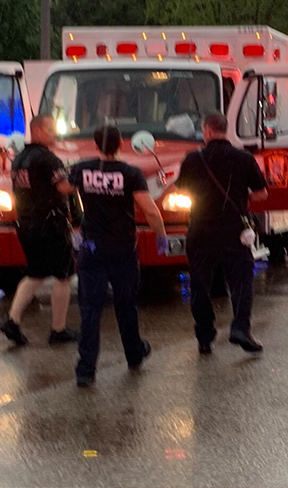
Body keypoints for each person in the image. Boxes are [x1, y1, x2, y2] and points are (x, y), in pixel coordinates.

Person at [68, 126, 167, 387]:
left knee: (90, 310)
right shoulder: (131, 173)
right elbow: (150, 211)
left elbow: (64, 189)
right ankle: (134, 353)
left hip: (90, 247)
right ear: (121, 144)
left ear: (95, 144)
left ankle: (86, 370)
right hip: (122, 248)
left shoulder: (81, 169)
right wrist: (161, 236)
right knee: (126, 306)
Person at [174, 113, 268, 354]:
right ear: (225, 130)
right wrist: (241, 197)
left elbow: (182, 190)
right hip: (233, 230)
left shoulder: (193, 159)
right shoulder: (243, 158)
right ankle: (240, 328)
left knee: (200, 283)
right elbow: (261, 194)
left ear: (206, 131)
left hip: (201, 230)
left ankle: (205, 336)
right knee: (241, 280)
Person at [0, 114, 79, 346]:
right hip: (50, 225)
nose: (54, 133)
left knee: (35, 273)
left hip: (26, 224)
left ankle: (12, 321)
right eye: (51, 128)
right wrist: (81, 178)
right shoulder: (48, 160)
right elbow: (64, 186)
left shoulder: (19, 159)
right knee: (64, 276)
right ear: (38, 131)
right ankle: (58, 330)